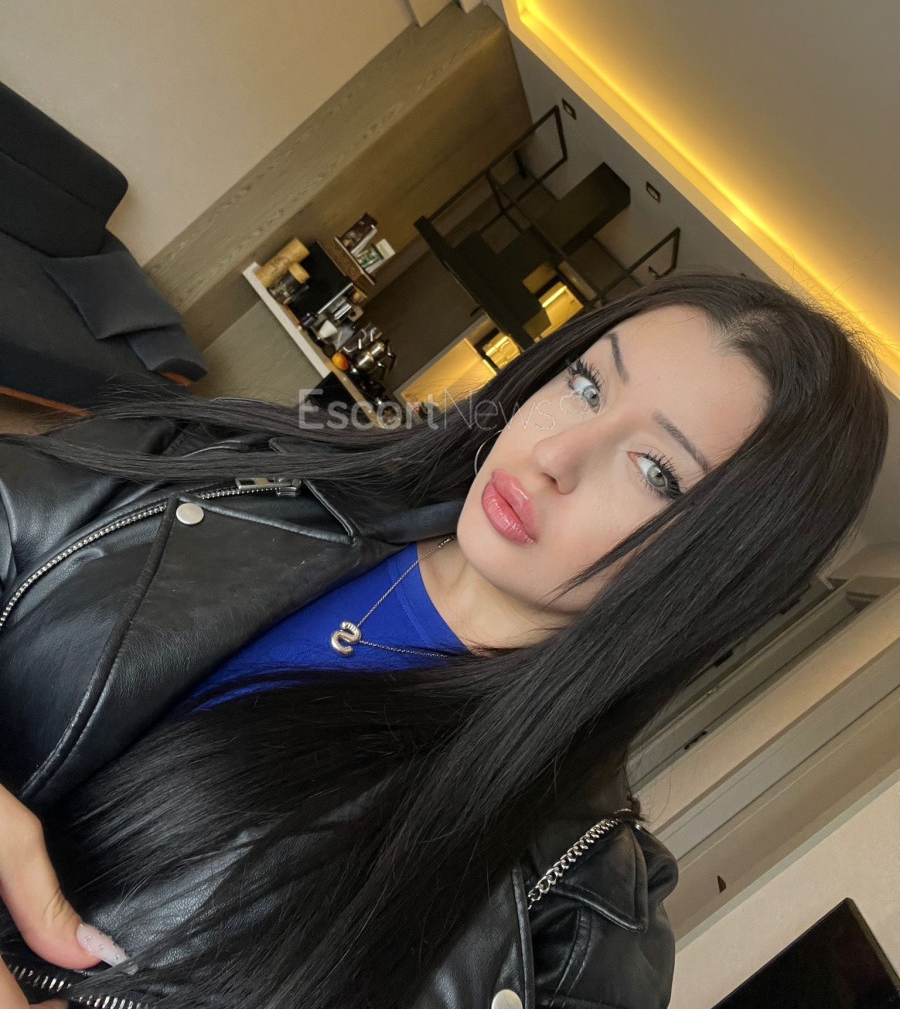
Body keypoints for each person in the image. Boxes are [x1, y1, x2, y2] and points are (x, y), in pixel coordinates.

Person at [0, 269, 888, 1009]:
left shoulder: (573, 934)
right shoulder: (251, 465)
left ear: (715, 573)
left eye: (655, 471)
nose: (555, 455)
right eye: (586, 385)